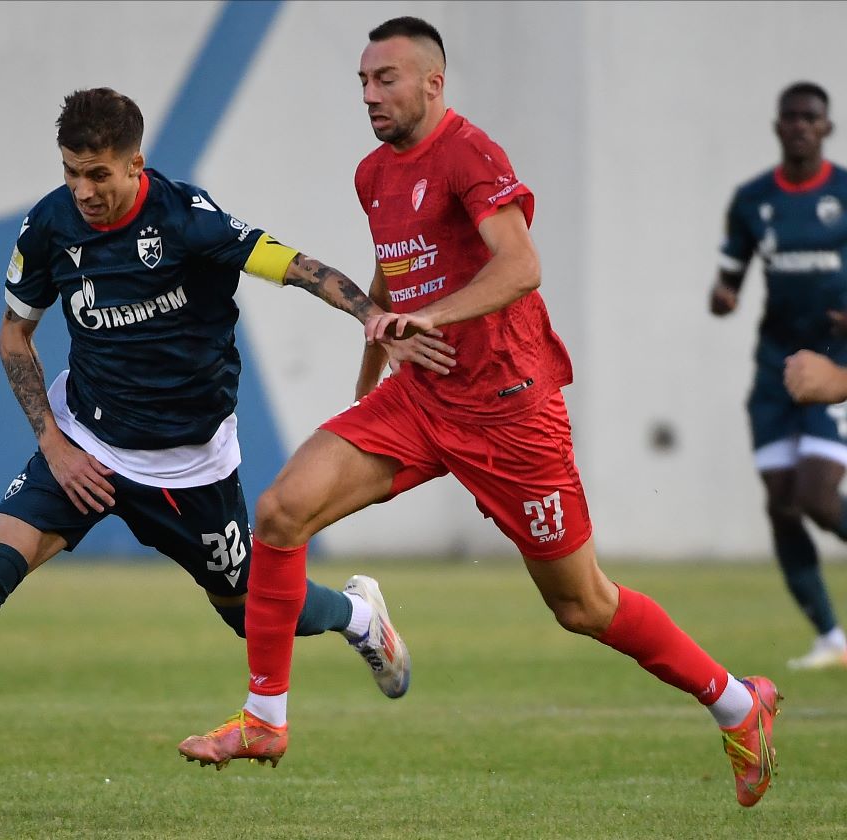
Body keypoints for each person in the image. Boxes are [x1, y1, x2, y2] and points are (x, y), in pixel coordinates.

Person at [179, 16, 780, 808]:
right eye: (362, 81)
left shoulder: (471, 153)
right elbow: (393, 271)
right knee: (283, 511)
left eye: (385, 78)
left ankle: (737, 704)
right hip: (419, 399)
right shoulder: (373, 174)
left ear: (434, 81)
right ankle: (265, 719)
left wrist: (433, 320)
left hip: (509, 412)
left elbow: (521, 266)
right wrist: (371, 364)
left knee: (583, 605)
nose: (369, 94)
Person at [0, 87, 457, 805]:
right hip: (86, 445)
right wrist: (52, 443)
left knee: (249, 614)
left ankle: (360, 617)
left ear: (135, 163)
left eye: (99, 174)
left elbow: (295, 266)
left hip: (191, 466)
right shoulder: (49, 227)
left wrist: (370, 315)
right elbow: (15, 333)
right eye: (72, 172)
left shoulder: (187, 219)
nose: (83, 190)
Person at [709, 80, 847, 671]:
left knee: (817, 497)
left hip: (833, 368)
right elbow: (729, 279)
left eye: (809, 117)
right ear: (777, 126)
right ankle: (831, 638)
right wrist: (723, 297)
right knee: (782, 506)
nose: (798, 125)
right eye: (789, 116)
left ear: (826, 128)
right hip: (773, 372)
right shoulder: (752, 199)